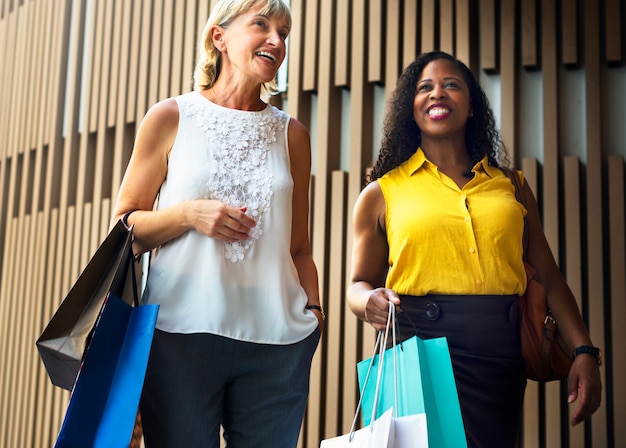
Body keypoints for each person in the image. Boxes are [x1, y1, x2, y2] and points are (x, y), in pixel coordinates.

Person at [347, 51, 602, 448]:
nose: (438, 94)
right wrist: (369, 301)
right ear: (409, 109)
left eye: (452, 85)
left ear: (471, 106)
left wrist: (584, 350)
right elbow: (357, 285)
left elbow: (549, 277)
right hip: (419, 347)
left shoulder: (511, 186)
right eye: (425, 87)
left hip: (500, 356)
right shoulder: (381, 193)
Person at [111, 1, 323, 446]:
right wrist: (190, 214)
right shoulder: (171, 116)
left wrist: (314, 317)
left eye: (284, 32)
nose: (276, 40)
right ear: (219, 37)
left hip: (278, 340)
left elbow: (298, 248)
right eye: (261, 25)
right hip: (179, 335)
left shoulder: (294, 135)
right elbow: (125, 228)